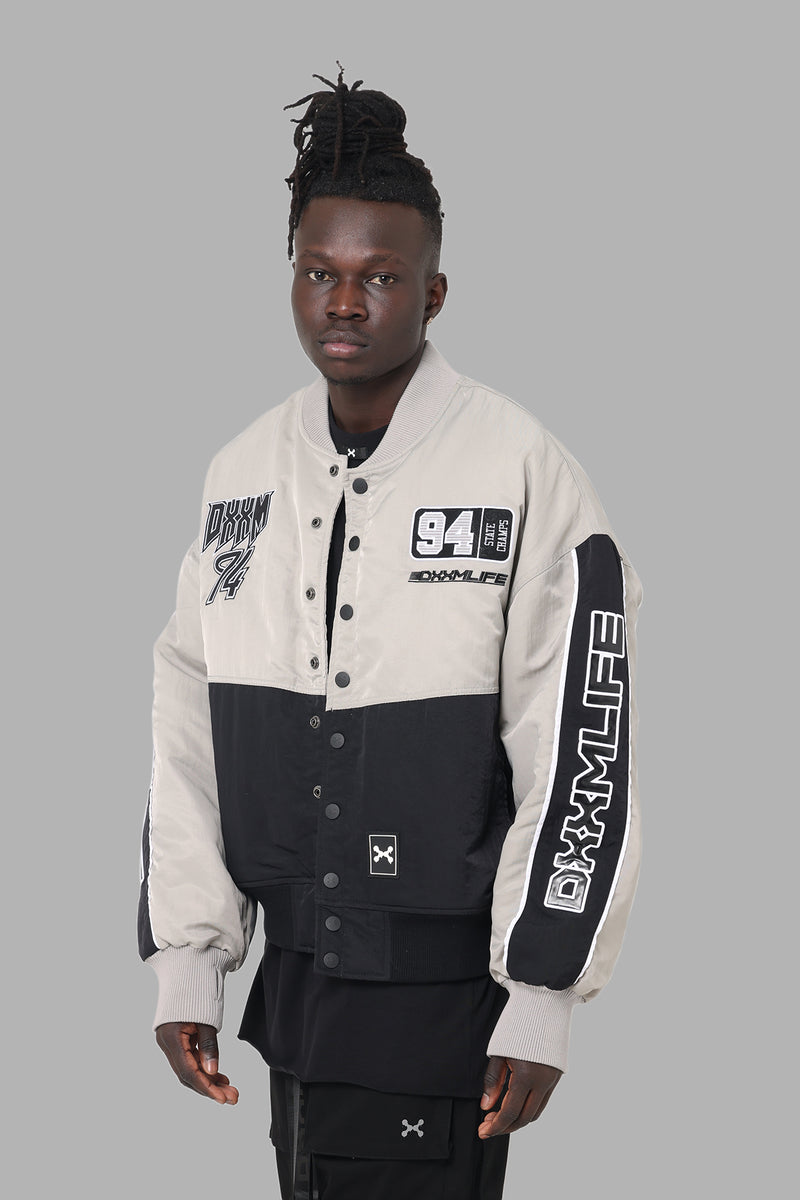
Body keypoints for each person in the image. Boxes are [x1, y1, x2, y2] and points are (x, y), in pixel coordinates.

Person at [138, 68, 642, 1200]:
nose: (345, 303)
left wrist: (544, 993)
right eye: (320, 272)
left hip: (443, 1006)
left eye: (380, 276)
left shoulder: (521, 470)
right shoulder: (240, 474)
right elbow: (186, 721)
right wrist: (187, 963)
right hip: (292, 996)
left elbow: (582, 742)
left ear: (435, 291)